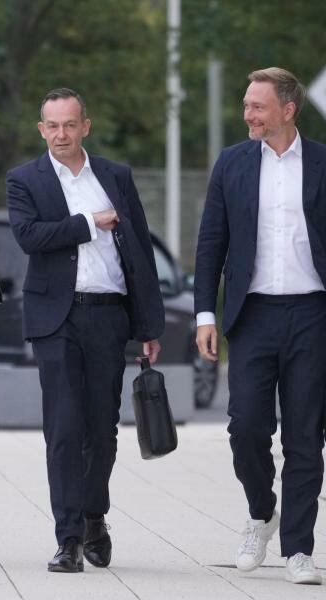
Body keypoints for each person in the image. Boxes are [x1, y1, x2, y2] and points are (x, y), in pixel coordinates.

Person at [6, 88, 163, 573]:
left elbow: (139, 251)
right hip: (55, 319)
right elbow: (30, 237)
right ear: (40, 129)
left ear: (85, 127)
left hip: (108, 316)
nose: (60, 134)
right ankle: (68, 537)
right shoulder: (25, 179)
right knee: (63, 428)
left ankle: (95, 516)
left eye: (69, 125)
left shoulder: (115, 176)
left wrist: (148, 323)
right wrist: (88, 223)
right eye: (51, 125)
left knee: (102, 429)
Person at [195, 67, 326, 585]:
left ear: (287, 110)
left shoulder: (321, 163)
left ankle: (299, 548)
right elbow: (211, 244)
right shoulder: (231, 164)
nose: (248, 114)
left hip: (313, 315)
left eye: (257, 106)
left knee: (304, 437)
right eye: (247, 105)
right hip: (251, 317)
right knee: (246, 427)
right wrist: (206, 313)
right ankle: (260, 511)